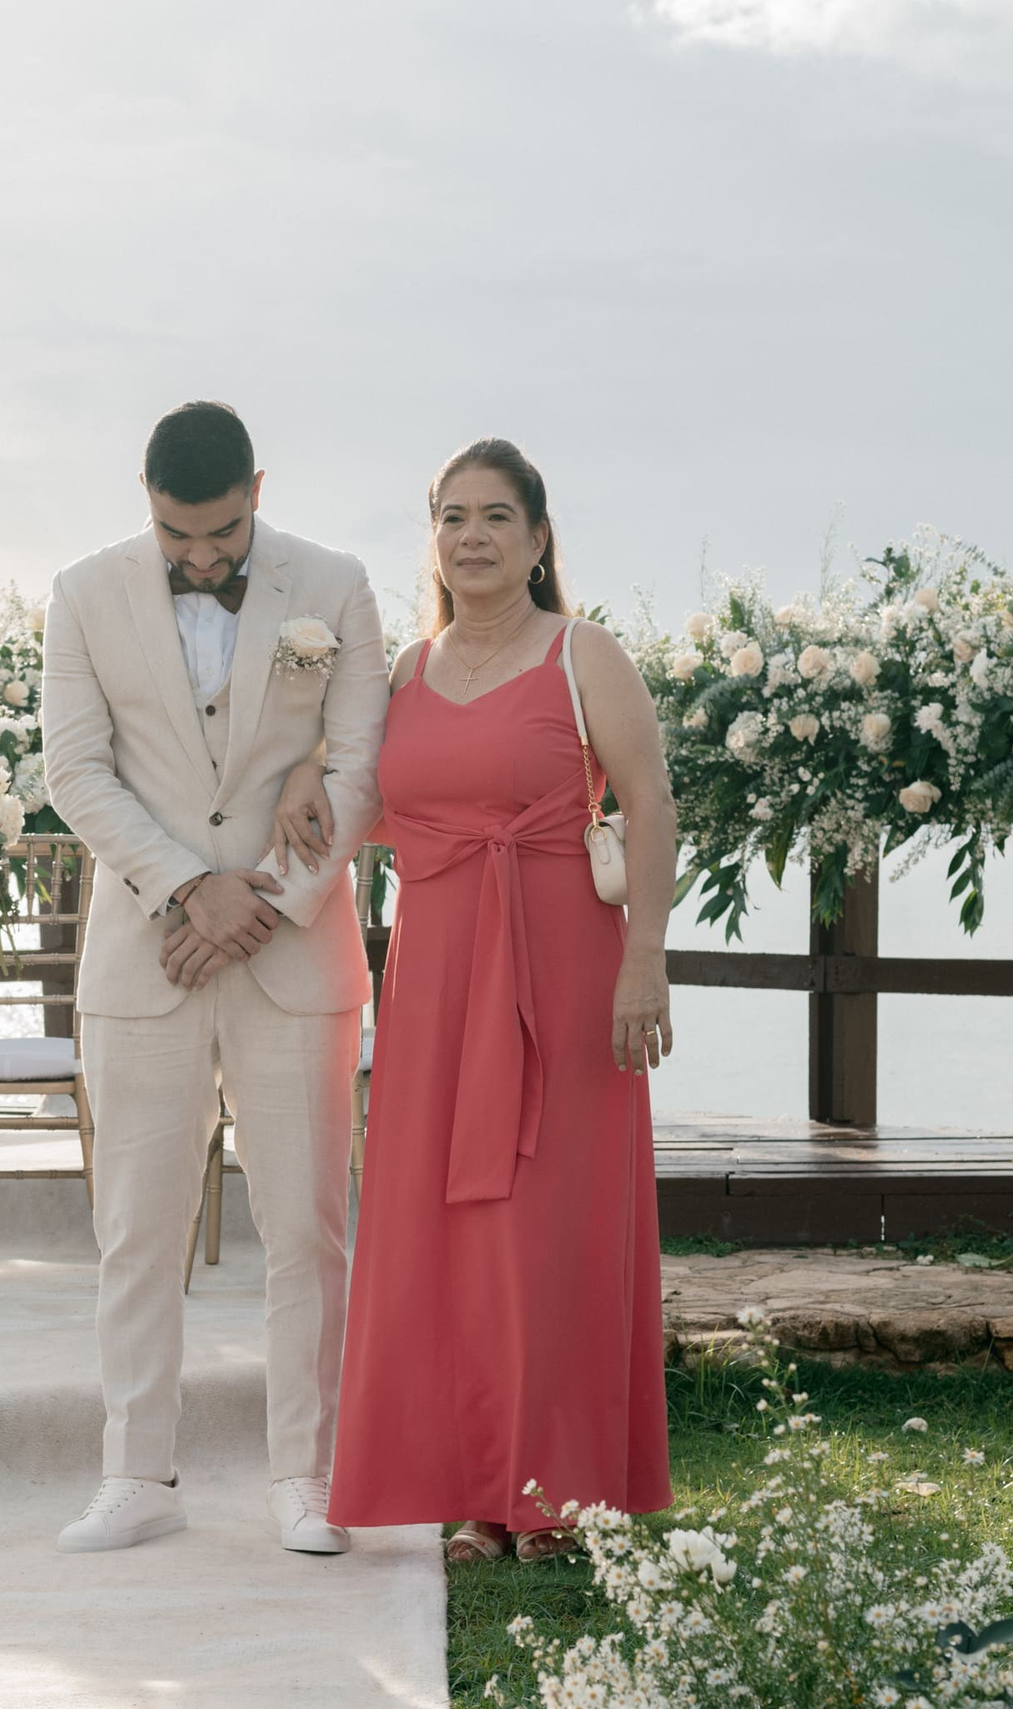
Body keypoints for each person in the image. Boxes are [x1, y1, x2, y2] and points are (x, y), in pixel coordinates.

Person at [38, 401, 392, 1554]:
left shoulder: (332, 583)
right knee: (135, 1228)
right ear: (144, 494)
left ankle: (309, 1474)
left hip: (295, 950)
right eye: (176, 536)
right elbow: (75, 771)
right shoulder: (83, 591)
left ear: (257, 488)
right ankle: (135, 1474)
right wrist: (193, 886)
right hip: (146, 952)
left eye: (223, 535)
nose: (201, 557)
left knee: (307, 1226)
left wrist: (263, 902)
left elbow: (360, 760)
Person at [314, 438, 675, 1563]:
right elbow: (357, 801)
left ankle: (557, 1491)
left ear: (537, 537)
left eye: (496, 516)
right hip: (432, 979)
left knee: (552, 1225)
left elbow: (653, 797)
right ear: (434, 536)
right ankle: (476, 1489)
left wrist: (645, 957)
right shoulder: (403, 676)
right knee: (445, 1230)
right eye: (452, 516)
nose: (471, 536)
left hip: (565, 971)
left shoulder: (583, 654)